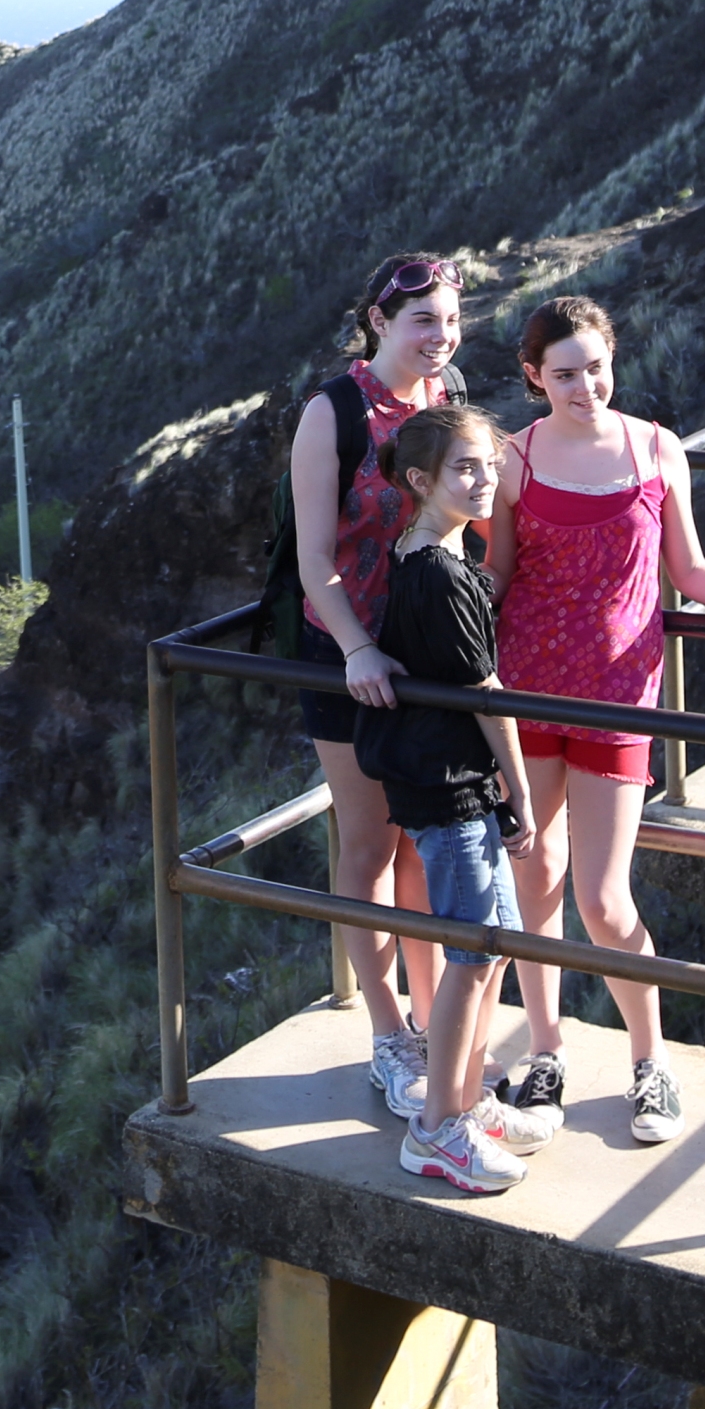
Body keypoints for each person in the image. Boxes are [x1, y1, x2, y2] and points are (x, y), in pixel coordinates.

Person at [485, 295, 705, 1145]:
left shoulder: (655, 447)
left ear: (613, 362)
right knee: (534, 881)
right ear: (534, 377)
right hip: (525, 696)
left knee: (605, 901)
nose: (585, 386)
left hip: (617, 698)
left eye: (596, 367)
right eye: (564, 373)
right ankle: (547, 1053)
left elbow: (690, 568)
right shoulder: (515, 460)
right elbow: (494, 577)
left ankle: (652, 1062)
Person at [353, 402, 564, 1193]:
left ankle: (465, 1098)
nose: (486, 479)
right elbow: (485, 691)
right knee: (473, 952)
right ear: (421, 480)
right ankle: (439, 1128)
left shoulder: (424, 555)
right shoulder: (441, 573)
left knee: (491, 944)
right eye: (466, 468)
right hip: (452, 786)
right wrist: (520, 788)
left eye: (491, 464)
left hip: (448, 779)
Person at [290, 251, 462, 1121]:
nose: (440, 335)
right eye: (422, 319)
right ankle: (391, 1031)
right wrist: (358, 648)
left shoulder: (446, 395)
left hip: (427, 656)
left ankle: (439, 1019)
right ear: (379, 322)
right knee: (368, 840)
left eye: (450, 318)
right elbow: (312, 556)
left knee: (421, 844)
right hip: (345, 656)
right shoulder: (334, 411)